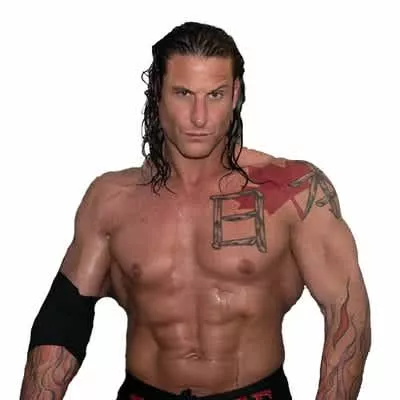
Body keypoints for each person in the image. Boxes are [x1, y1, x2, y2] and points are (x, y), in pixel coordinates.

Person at [20, 21, 371, 400]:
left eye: (215, 95)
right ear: (157, 93)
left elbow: (347, 316)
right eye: (183, 93)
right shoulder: (111, 199)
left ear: (235, 94)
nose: (199, 117)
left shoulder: (294, 192)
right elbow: (63, 324)